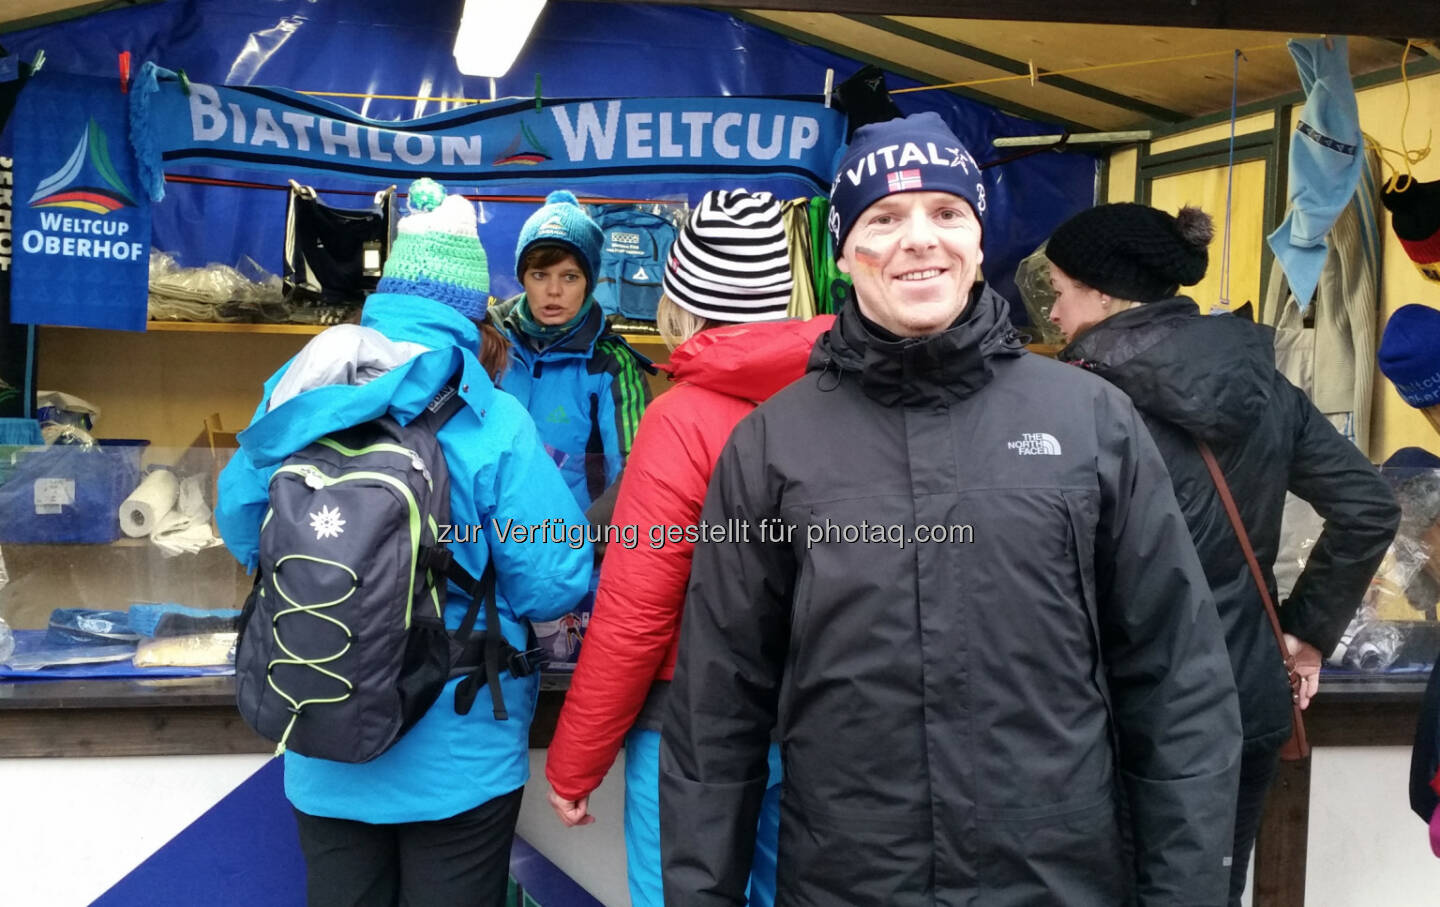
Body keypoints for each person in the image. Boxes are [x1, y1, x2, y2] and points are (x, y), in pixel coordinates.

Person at [659, 112, 1244, 905]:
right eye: (884, 218)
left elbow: (1177, 681)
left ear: (977, 240)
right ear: (844, 252)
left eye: (946, 212)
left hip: (1055, 880)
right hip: (851, 879)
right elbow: (715, 705)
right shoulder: (773, 446)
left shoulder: (1091, 421)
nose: (919, 238)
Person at [216, 178, 591, 907]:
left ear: (385, 296)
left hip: (320, 723)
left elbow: (240, 527)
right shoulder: (495, 418)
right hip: (457, 751)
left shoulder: (298, 391)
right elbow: (554, 579)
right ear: (474, 309)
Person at [1046, 201, 1401, 905]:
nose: (1053, 314)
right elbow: (1370, 504)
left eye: (1059, 292)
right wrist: (1305, 633)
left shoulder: (1073, 400)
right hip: (1244, 696)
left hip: (1113, 712)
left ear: (1105, 291)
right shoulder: (1262, 381)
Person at [544, 188, 832, 907]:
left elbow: (637, 613)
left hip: (694, 722)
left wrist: (573, 762)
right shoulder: (838, 399)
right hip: (815, 717)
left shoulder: (682, 419)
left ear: (682, 300)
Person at [491, 188, 654, 663]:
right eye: (540, 275)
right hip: (491, 556)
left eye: (570, 276)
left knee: (566, 693)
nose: (554, 291)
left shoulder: (611, 364)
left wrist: (575, 550)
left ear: (591, 281)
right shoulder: (491, 346)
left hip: (579, 566)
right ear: (523, 276)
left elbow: (637, 471)